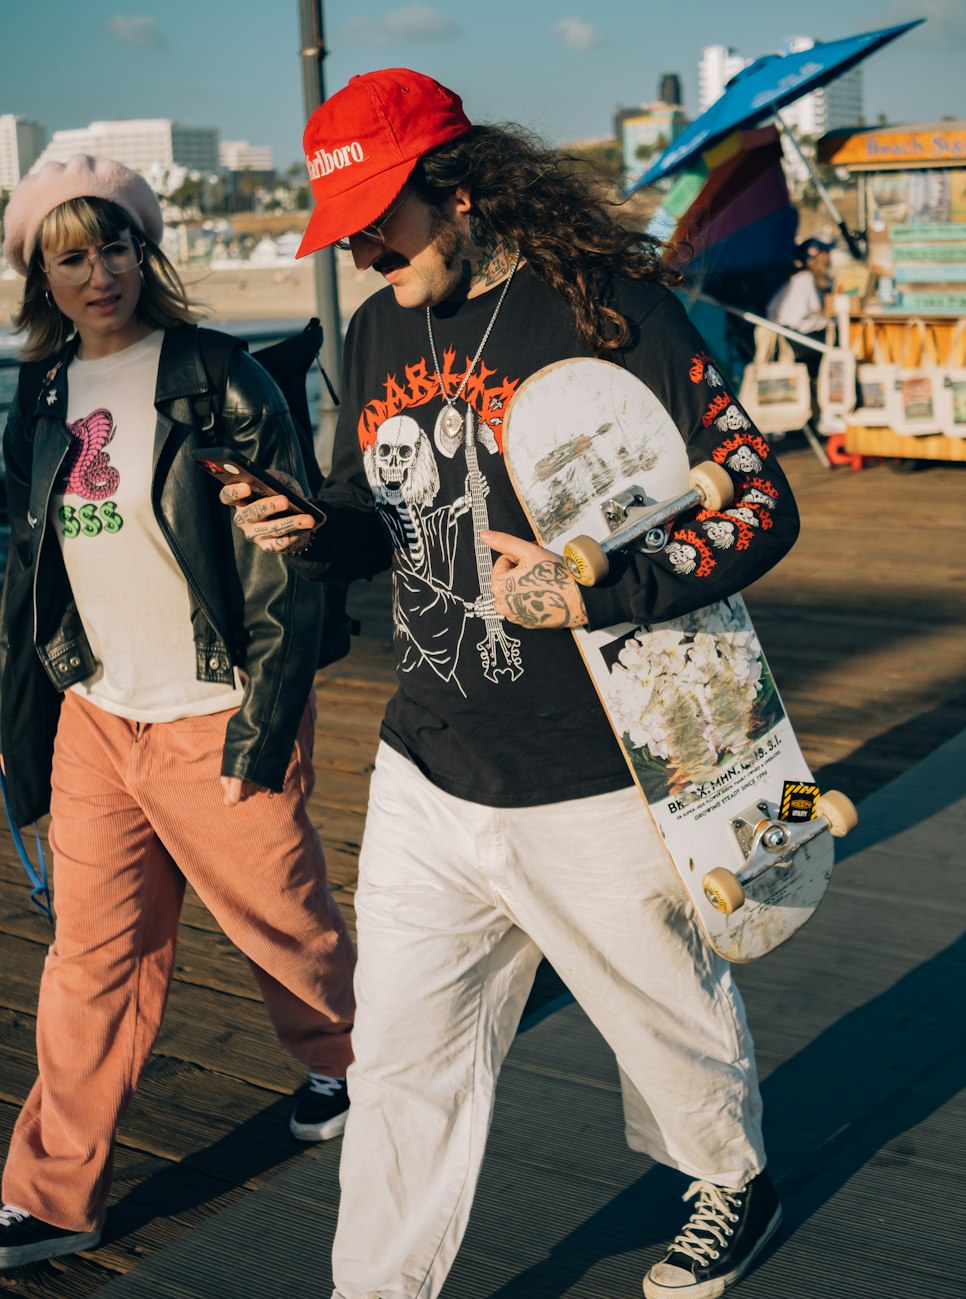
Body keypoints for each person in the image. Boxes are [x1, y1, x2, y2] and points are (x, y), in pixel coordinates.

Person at [228, 69, 801, 1299]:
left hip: (591, 767)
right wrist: (306, 528)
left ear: (465, 187)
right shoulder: (380, 324)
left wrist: (600, 590)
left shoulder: (607, 309)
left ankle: (729, 1176)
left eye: (387, 214)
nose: (370, 247)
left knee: (664, 1024)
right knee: (397, 1060)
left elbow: (758, 497)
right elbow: (368, 511)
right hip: (428, 765)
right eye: (351, 228)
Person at [0, 155, 356, 1271]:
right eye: (69, 255)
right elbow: (32, 565)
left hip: (216, 703)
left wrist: (264, 718)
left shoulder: (217, 372)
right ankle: (56, 1195)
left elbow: (290, 565)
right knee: (88, 961)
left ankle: (349, 1062)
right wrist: (29, 721)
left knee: (283, 925)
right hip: (98, 715)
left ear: (142, 255)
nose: (96, 272)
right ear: (38, 277)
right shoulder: (43, 392)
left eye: (113, 247)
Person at [765, 236, 834, 378]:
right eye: (826, 252)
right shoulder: (805, 280)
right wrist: (829, 319)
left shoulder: (799, 279)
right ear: (817, 256)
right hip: (796, 339)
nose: (829, 256)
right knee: (836, 335)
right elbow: (795, 320)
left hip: (791, 336)